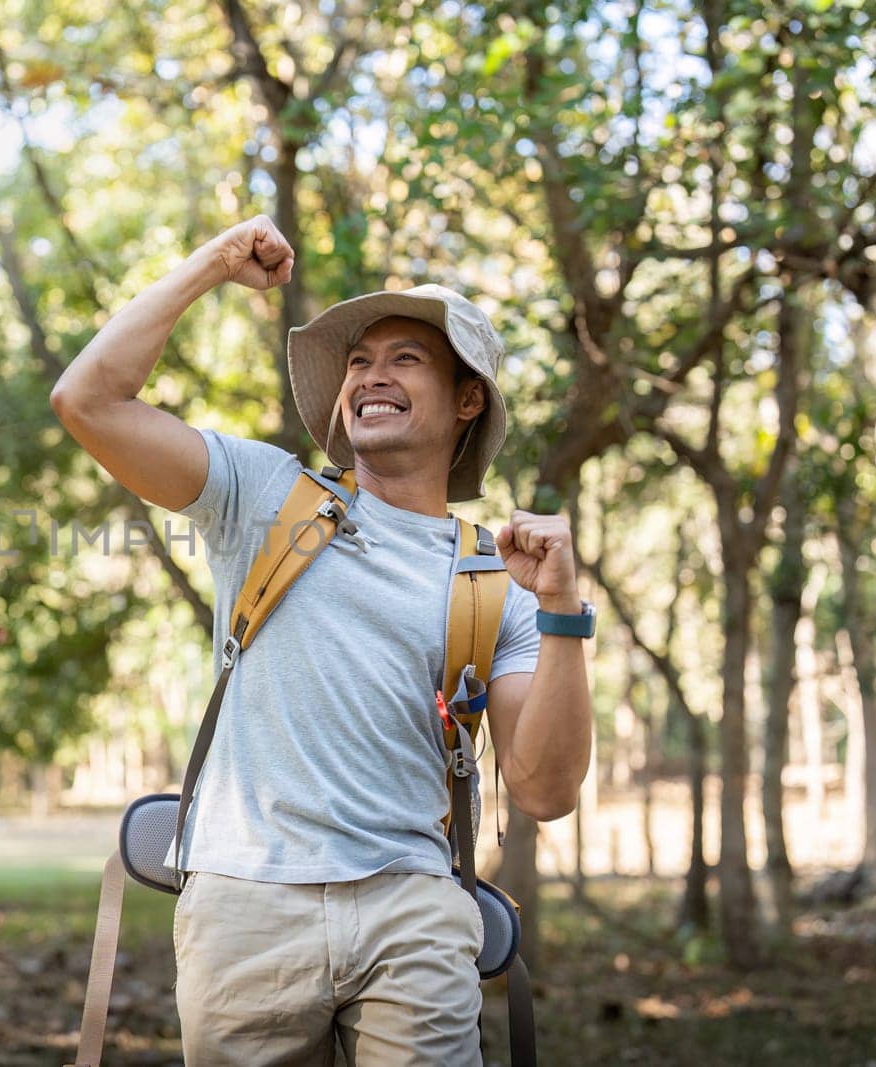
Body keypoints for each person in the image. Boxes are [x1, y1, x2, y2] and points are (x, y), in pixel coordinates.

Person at [50, 215, 594, 1066]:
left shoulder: (498, 580)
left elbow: (547, 786)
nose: (371, 377)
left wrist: (563, 608)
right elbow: (86, 401)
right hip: (245, 902)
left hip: (412, 911)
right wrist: (208, 266)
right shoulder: (266, 493)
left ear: (467, 398)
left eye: (405, 358)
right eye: (358, 362)